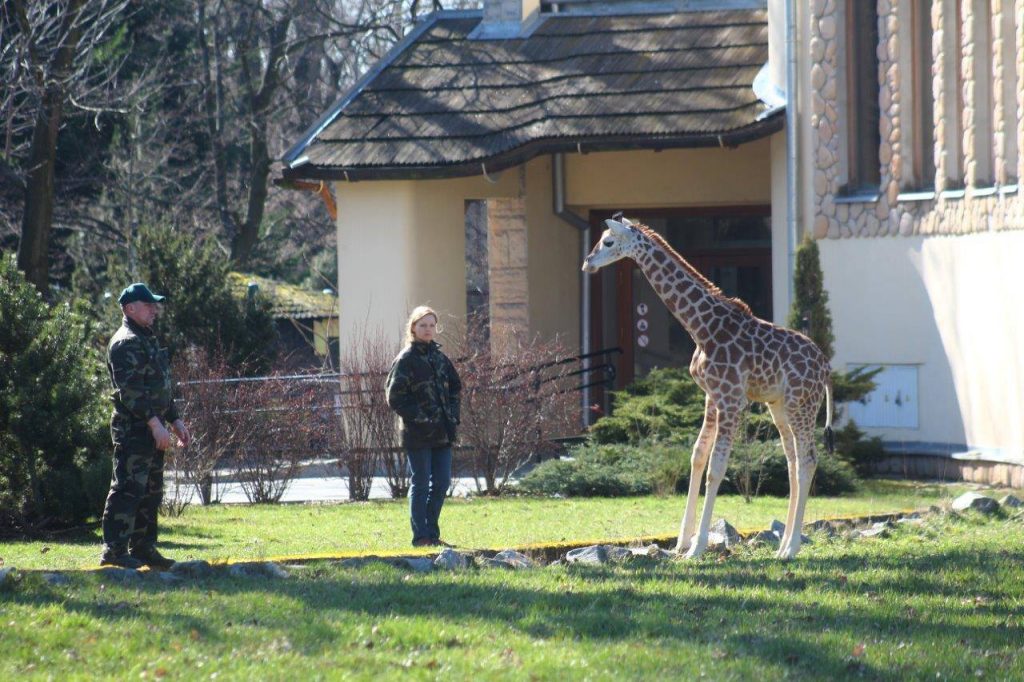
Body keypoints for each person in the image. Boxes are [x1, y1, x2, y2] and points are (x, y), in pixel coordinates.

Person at [99, 283, 191, 569]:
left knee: (151, 491)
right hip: (134, 430)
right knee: (128, 488)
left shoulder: (146, 339)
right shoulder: (125, 342)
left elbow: (160, 386)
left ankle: (143, 548)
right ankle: (114, 551)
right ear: (130, 309)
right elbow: (130, 392)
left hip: (155, 429)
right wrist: (154, 424)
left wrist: (174, 420)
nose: (154, 309)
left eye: (154, 304)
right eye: (148, 304)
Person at [386, 306, 462, 547]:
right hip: (417, 434)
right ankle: (421, 537)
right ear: (413, 328)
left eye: (431, 325)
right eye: (423, 325)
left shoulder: (440, 358)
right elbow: (395, 398)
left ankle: (432, 533)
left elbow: (456, 389)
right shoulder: (406, 360)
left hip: (443, 432)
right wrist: (422, 418)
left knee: (441, 483)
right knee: (420, 483)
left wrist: (452, 416)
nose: (428, 329)